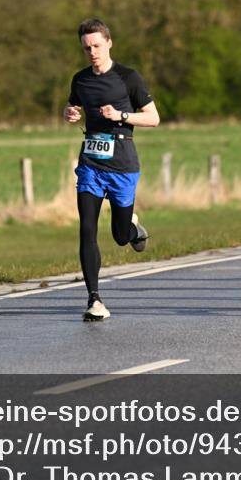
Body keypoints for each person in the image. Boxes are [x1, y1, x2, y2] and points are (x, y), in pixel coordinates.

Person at [64, 18, 159, 321]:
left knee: (119, 236)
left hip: (122, 163)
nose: (92, 52)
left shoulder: (128, 78)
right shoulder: (80, 80)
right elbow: (74, 106)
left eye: (96, 45)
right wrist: (70, 112)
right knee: (87, 229)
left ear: (109, 43)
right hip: (90, 162)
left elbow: (153, 118)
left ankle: (130, 226)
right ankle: (94, 299)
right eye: (86, 47)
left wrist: (121, 115)